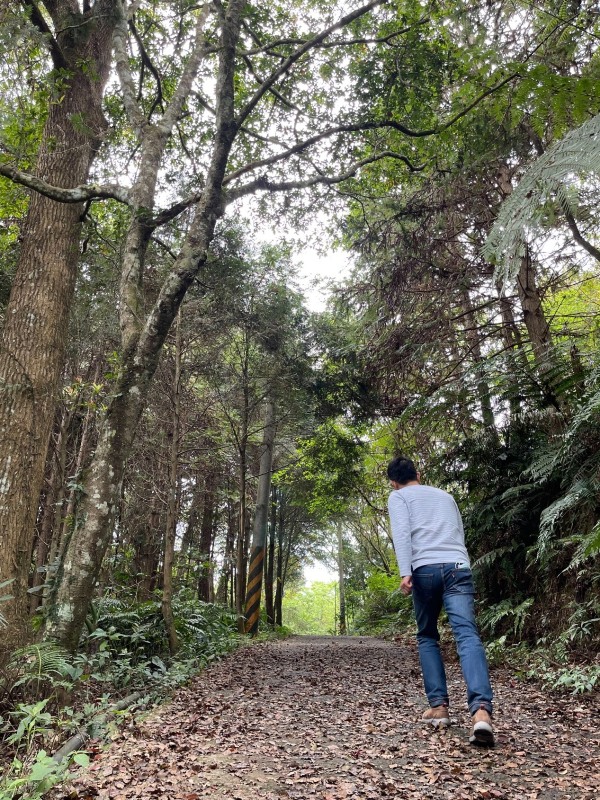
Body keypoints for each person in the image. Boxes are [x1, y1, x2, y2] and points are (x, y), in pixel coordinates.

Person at [387, 456, 494, 746]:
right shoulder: (446, 496)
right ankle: (482, 712)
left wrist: (405, 572)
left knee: (427, 636)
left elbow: (401, 534)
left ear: (394, 483)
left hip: (424, 570)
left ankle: (439, 707)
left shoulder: (398, 498)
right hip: (458, 567)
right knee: (467, 636)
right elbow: (458, 533)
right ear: (418, 473)